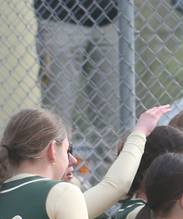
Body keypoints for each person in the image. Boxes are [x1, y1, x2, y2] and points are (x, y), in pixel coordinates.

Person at [34, 0, 120, 175]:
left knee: (111, 123)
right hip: (59, 16)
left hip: (109, 18)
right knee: (57, 121)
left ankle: (109, 196)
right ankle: (57, 190)